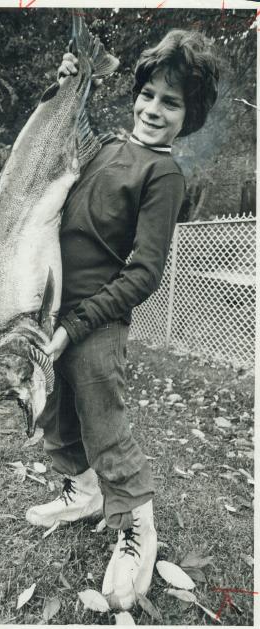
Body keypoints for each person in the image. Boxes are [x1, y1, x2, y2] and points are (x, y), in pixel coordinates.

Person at [26, 28, 219, 610]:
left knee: (103, 424)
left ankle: (139, 528)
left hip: (96, 322)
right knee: (54, 412)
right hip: (49, 306)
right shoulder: (107, 143)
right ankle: (83, 492)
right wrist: (60, 89)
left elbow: (145, 272)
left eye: (172, 102)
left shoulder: (164, 175)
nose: (154, 109)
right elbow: (56, 147)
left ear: (191, 115)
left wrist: (77, 327)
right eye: (150, 94)